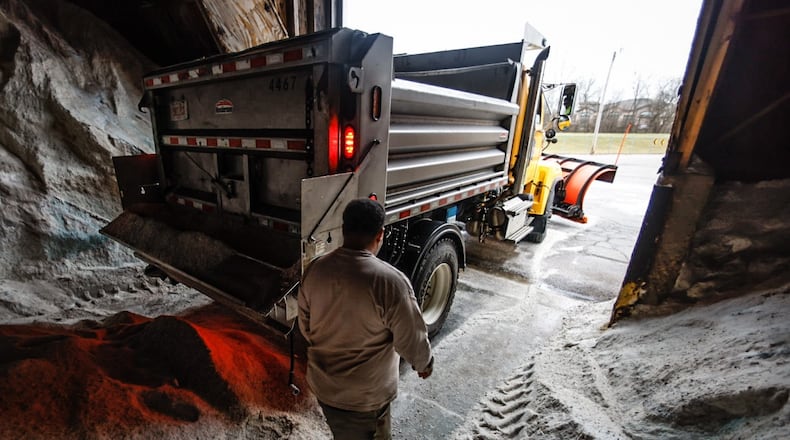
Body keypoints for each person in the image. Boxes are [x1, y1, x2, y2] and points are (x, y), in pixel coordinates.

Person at [298, 198, 434, 440]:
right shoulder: (391, 282)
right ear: (380, 234)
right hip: (364, 399)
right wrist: (424, 364)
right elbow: (410, 339)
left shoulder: (316, 269)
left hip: (324, 387)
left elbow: (305, 327)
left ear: (343, 229)